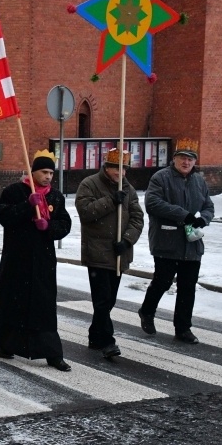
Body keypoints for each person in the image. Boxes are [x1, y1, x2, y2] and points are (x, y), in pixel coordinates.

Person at [0, 150, 73, 371]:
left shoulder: (55, 196)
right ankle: (6, 343)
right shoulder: (13, 191)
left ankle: (52, 353)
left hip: (43, 260)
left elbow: (65, 223)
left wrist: (50, 228)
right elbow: (5, 217)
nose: (48, 177)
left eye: (51, 173)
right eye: (44, 172)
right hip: (17, 258)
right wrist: (27, 206)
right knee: (13, 302)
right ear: (33, 172)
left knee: (43, 306)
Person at [138, 145, 214, 344]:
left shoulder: (199, 180)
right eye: (182, 158)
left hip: (192, 243)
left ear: (195, 162)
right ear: (174, 159)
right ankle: (147, 311)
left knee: (187, 287)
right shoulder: (161, 177)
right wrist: (184, 215)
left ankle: (183, 328)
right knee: (162, 282)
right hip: (167, 241)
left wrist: (203, 219)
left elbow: (208, 206)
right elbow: (153, 203)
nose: (186, 162)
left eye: (190, 159)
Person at [75, 149, 144, 359]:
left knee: (109, 300)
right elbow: (85, 212)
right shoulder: (89, 184)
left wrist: (127, 240)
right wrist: (111, 200)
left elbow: (137, 218)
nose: (120, 173)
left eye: (124, 169)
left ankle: (95, 335)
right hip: (97, 252)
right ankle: (107, 341)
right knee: (102, 299)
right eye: (117, 168)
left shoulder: (129, 189)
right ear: (106, 167)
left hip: (118, 254)